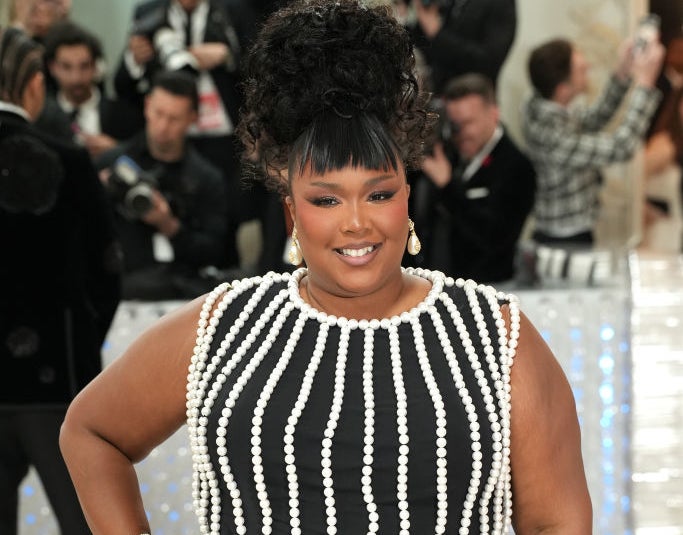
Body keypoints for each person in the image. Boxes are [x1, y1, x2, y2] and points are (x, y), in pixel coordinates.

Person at [60, 2, 592, 534]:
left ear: (408, 197)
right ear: (291, 210)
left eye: (378, 193)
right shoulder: (225, 328)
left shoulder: (494, 338)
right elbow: (91, 433)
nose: (356, 223)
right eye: (327, 200)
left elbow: (558, 522)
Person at [0, 26, 121, 534]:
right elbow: (107, 270)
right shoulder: (69, 162)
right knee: (86, 523)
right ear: (33, 86)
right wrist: (82, 343)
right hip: (55, 377)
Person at [113, 0, 256, 268]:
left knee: (225, 222)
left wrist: (228, 57)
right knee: (155, 211)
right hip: (167, 139)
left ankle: (223, 286)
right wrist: (134, 59)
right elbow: (123, 88)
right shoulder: (148, 13)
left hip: (223, 140)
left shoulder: (234, 10)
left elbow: (261, 71)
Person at [96, 70, 230, 300]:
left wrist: (169, 225)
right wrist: (97, 195)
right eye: (158, 113)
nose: (163, 126)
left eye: (174, 118)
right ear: (147, 105)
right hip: (122, 289)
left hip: (185, 293)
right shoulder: (111, 165)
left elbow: (217, 252)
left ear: (192, 118)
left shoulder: (207, 178)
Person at [523, 36, 664, 245]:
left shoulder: (542, 107)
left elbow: (594, 119)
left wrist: (622, 72)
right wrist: (645, 84)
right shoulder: (552, 137)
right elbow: (621, 147)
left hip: (566, 231)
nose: (588, 66)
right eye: (581, 69)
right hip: (564, 238)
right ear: (563, 90)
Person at [411, 73, 536, 283]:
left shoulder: (517, 166)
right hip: (443, 283)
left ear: (494, 113)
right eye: (454, 124)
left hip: (491, 286)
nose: (461, 133)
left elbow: (495, 237)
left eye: (468, 123)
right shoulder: (449, 153)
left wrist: (447, 187)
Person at [35, 20, 143, 157]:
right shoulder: (40, 118)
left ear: (95, 67)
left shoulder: (124, 115)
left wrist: (116, 150)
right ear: (52, 68)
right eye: (66, 67)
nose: (76, 78)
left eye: (84, 66)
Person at [395, 0, 517, 94]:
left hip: (475, 100)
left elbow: (489, 61)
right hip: (439, 95)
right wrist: (404, 18)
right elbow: (431, 48)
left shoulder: (501, 3)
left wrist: (437, 34)